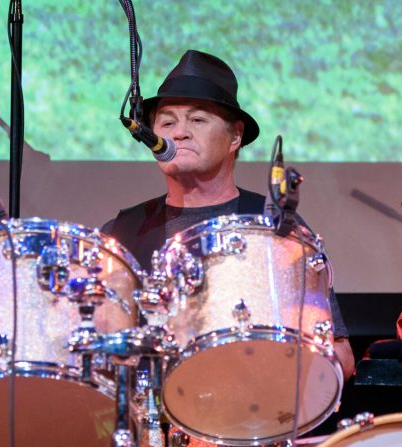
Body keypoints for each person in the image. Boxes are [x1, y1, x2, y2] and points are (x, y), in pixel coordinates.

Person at [102, 49, 355, 379]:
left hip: (250, 417)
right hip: (152, 424)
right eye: (167, 122)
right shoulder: (122, 234)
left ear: (235, 136)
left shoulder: (274, 230)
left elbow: (339, 356)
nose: (179, 132)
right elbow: (97, 354)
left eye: (197, 119)